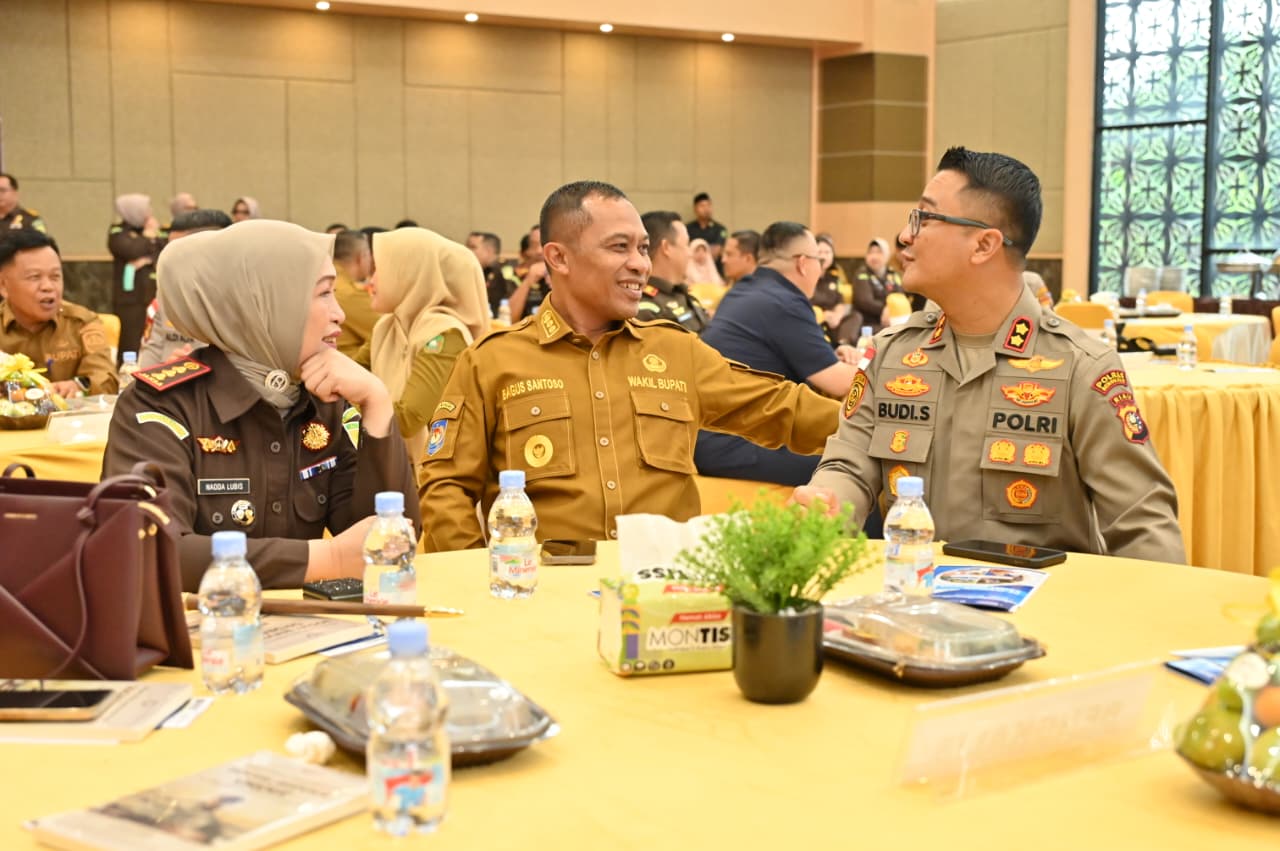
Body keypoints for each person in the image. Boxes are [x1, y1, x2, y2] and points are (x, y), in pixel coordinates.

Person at [794, 147, 1185, 564]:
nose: (905, 236)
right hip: (915, 592)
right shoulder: (891, 355)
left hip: (1043, 600)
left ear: (984, 245)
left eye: (925, 218)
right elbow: (849, 467)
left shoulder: (1080, 367)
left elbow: (1143, 526)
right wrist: (827, 502)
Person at [418, 181, 839, 551]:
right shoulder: (492, 361)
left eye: (642, 248)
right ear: (559, 258)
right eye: (619, 247)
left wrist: (874, 426)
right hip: (545, 591)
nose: (641, 264)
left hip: (663, 589)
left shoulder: (675, 352)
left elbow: (781, 409)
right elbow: (446, 487)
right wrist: (478, 578)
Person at [101, 220, 420, 590]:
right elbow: (149, 547)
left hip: (313, 621)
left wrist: (377, 406)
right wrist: (326, 559)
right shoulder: (162, 406)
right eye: (323, 293)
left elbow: (390, 542)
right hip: (205, 623)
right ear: (263, 304)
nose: (339, 314)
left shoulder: (323, 400)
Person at [695, 221, 858, 486]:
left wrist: (836, 358)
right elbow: (839, 383)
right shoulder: (784, 302)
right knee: (858, 468)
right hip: (734, 442)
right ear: (803, 263)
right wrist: (884, 367)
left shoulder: (744, 290)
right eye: (818, 260)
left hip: (715, 434)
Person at [367, 227, 490, 471]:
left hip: (433, 477)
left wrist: (353, 400)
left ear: (411, 276)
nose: (371, 281)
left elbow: (408, 419)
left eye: (380, 269)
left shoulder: (445, 334)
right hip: (392, 467)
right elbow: (349, 374)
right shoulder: (389, 327)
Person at [0, 230, 117, 396]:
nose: (48, 287)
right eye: (34, 277)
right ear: (3, 286)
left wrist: (79, 386)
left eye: (55, 276)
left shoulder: (81, 323)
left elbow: (105, 378)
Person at [139, 208, 233, 368]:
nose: (170, 260)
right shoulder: (164, 297)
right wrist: (167, 369)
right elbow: (147, 362)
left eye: (179, 251)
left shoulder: (242, 302)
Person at [108, 193, 164, 357]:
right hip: (130, 300)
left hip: (153, 294)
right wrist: (147, 237)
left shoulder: (156, 229)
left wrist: (146, 259)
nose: (150, 212)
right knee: (130, 343)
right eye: (146, 208)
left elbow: (164, 251)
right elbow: (130, 250)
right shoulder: (117, 231)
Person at [637, 211, 709, 333]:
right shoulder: (645, 308)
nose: (690, 254)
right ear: (666, 247)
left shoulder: (682, 294)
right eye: (686, 244)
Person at [332, 230, 378, 360]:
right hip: (344, 364)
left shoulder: (329, 279)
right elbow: (386, 331)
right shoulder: (348, 293)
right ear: (361, 257)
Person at [811, 234, 861, 345]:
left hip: (833, 322)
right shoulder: (807, 276)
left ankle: (843, 345)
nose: (823, 256)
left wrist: (837, 315)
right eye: (819, 252)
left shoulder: (834, 277)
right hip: (815, 320)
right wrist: (823, 315)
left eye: (827, 252)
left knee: (855, 316)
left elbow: (839, 301)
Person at [852, 237, 905, 333]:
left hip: (891, 321)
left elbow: (900, 297)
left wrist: (890, 309)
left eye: (879, 252)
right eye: (871, 252)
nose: (874, 257)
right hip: (867, 324)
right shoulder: (861, 274)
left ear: (887, 255)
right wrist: (884, 309)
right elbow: (865, 301)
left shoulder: (893, 274)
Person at [469, 231, 521, 317]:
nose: (467, 250)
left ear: (489, 251)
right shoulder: (477, 271)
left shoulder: (506, 272)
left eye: (473, 247)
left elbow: (510, 306)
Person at [685, 192, 728, 270]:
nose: (706, 209)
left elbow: (716, 252)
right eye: (702, 206)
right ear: (695, 208)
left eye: (708, 205)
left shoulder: (720, 229)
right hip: (693, 271)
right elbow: (685, 252)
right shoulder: (687, 228)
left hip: (715, 272)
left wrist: (696, 251)